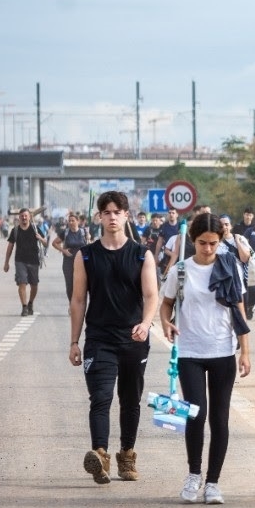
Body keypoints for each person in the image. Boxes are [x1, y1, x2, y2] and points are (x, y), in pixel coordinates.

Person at [160, 213, 251, 505]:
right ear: (193, 241)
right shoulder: (181, 271)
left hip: (223, 351)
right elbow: (166, 304)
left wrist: (245, 351)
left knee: (220, 418)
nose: (208, 249)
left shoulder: (230, 267)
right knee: (195, 415)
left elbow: (239, 309)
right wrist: (166, 323)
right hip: (190, 353)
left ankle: (213, 482)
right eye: (202, 243)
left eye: (213, 243)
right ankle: (193, 474)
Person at [69, 191, 159, 485]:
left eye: (117, 212)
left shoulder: (141, 254)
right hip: (99, 338)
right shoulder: (86, 255)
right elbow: (79, 300)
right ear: (99, 217)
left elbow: (151, 296)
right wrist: (74, 341)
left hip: (133, 338)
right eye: (106, 212)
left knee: (130, 399)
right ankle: (100, 455)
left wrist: (146, 324)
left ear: (126, 216)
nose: (111, 217)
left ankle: (128, 456)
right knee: (101, 397)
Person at [3, 208, 49, 316]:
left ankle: (30, 303)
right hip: (20, 261)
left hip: (34, 261)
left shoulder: (35, 229)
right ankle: (24, 307)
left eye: (26, 216)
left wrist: (40, 238)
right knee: (22, 283)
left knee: (34, 284)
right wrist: (6, 262)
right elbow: (10, 247)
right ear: (19, 217)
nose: (24, 217)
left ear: (29, 217)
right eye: (22, 216)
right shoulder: (15, 230)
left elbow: (46, 243)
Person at [53, 213, 91, 303]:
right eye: (69, 221)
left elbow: (88, 247)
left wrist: (89, 239)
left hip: (81, 262)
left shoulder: (84, 232)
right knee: (70, 285)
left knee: (81, 285)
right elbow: (54, 243)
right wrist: (64, 251)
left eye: (73, 220)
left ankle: (80, 303)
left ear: (77, 221)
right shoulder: (65, 232)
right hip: (68, 262)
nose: (70, 222)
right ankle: (72, 303)